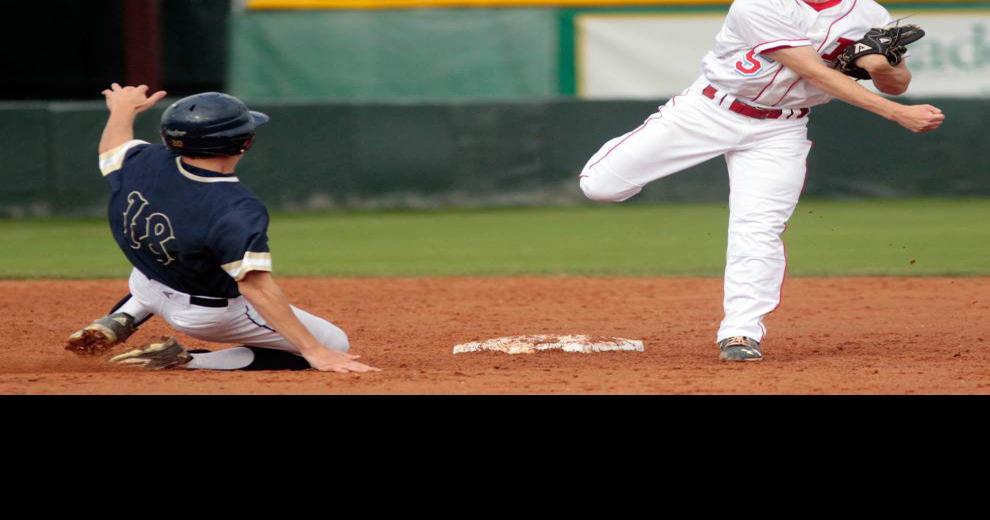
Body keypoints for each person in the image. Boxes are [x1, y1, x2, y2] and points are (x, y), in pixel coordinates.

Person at [578, 0, 944, 361]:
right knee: (600, 186)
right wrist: (898, 114)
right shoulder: (758, 4)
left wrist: (882, 64)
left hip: (781, 129)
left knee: (758, 227)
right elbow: (815, 72)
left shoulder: (870, 14)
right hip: (709, 110)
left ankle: (741, 331)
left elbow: (897, 83)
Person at [65, 83, 378, 373]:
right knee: (335, 342)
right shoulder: (236, 207)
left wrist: (122, 109)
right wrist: (314, 350)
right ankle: (187, 360)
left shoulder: (144, 160)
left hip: (145, 281)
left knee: (168, 261)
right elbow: (256, 288)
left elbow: (110, 149)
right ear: (245, 142)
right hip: (206, 314)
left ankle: (125, 316)